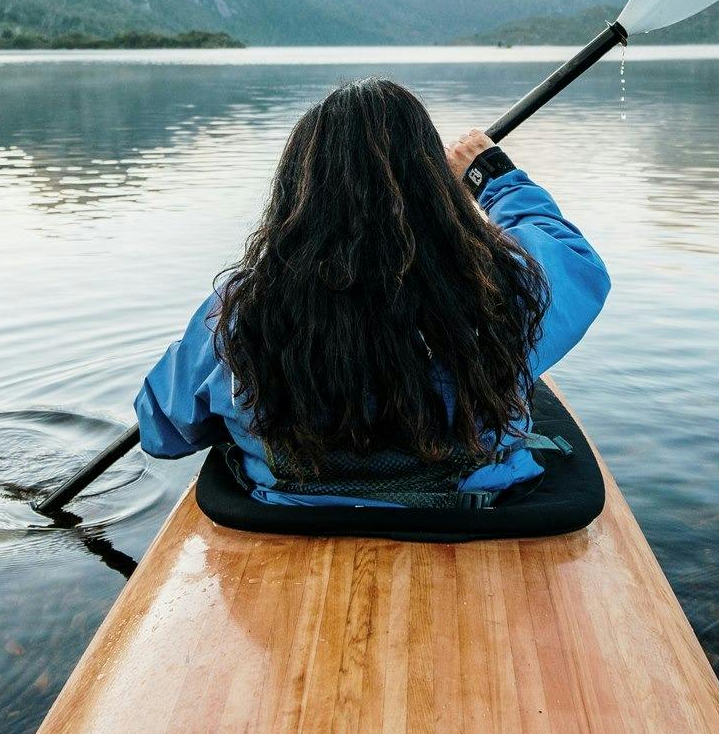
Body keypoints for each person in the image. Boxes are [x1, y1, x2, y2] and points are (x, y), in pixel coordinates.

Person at [135, 77, 609, 507]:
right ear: (434, 189)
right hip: (471, 509)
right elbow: (575, 262)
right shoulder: (499, 296)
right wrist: (493, 177)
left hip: (290, 515)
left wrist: (242, 391)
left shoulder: (245, 309)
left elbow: (162, 432)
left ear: (298, 191)